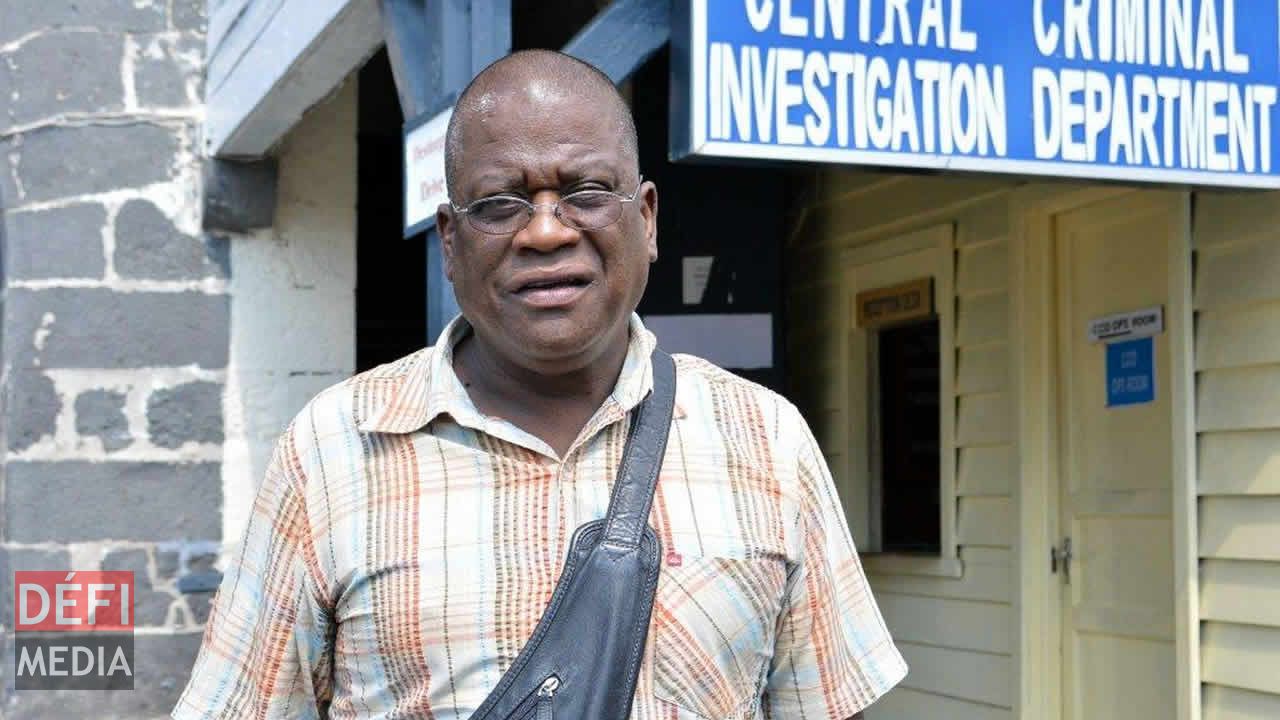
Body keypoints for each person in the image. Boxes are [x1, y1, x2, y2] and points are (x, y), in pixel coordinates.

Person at [173, 49, 906, 720]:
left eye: (586, 191)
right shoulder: (333, 450)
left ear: (647, 219)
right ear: (451, 242)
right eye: (500, 203)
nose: (547, 232)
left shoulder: (767, 440)